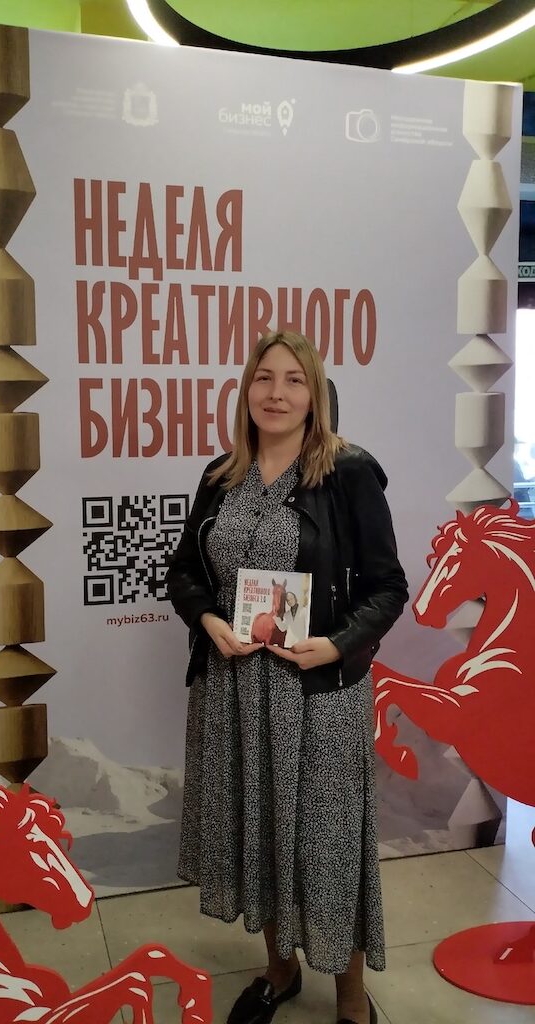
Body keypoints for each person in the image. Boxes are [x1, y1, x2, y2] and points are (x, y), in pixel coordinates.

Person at [166, 331, 408, 1024]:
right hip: (234, 690)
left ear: (316, 394)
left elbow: (388, 588)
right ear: (246, 389)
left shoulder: (348, 472)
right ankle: (280, 970)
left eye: (294, 380)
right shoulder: (221, 475)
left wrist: (336, 645)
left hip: (318, 693)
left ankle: (352, 999)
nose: (276, 393)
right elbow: (185, 573)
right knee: (261, 834)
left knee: (327, 848)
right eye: (264, 378)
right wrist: (208, 619)